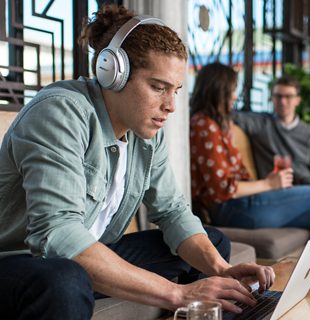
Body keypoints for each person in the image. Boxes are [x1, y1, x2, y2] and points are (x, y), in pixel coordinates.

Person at [0, 5, 274, 319]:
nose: (170, 106)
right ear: (112, 74)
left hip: (80, 254)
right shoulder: (60, 113)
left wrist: (223, 270)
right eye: (158, 87)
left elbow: (172, 211)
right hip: (20, 261)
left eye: (176, 90)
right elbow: (58, 236)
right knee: (65, 278)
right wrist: (178, 293)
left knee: (212, 243)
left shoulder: (145, 134)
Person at [190, 62, 310, 238]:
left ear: (298, 100)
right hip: (232, 208)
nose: (235, 96)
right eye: (233, 90)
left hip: (242, 204)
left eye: (288, 96)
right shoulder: (205, 125)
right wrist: (269, 184)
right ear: (219, 90)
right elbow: (222, 190)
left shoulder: (214, 125)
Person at [233, 75, 310, 185]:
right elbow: (228, 114)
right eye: (278, 96)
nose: (282, 101)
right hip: (277, 190)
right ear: (272, 98)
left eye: (288, 96)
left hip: (309, 189)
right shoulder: (259, 124)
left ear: (298, 100)